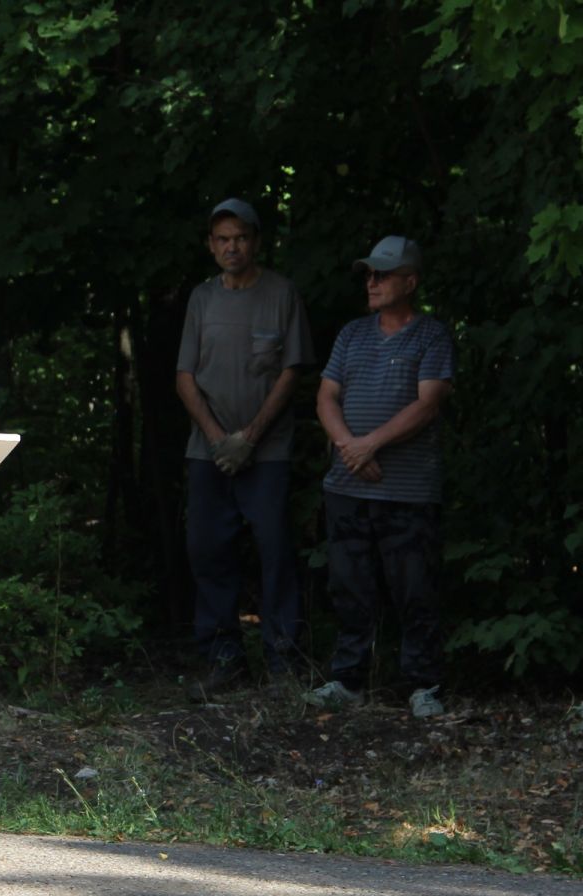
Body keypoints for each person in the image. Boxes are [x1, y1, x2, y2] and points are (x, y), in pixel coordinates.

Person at [306, 235, 455, 718]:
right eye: (368, 274)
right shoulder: (351, 334)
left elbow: (428, 403)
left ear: (409, 282)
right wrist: (351, 446)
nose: (371, 282)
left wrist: (371, 444)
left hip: (408, 491)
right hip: (347, 487)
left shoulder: (431, 335)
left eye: (382, 274)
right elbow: (326, 397)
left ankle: (423, 685)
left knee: (415, 587)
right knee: (349, 585)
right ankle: (349, 681)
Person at [174, 197, 314, 689]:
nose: (232, 247)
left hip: (268, 453)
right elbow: (185, 376)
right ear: (211, 247)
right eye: (223, 239)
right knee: (208, 550)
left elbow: (292, 370)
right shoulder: (202, 299)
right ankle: (224, 660)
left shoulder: (281, 294)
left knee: (274, 550)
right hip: (206, 451)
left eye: (240, 238)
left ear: (255, 242)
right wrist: (217, 439)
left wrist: (249, 438)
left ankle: (283, 662)